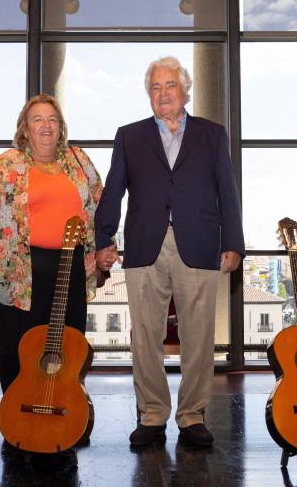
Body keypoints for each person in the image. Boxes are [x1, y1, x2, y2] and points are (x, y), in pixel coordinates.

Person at [94, 56, 245, 448]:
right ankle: (153, 414)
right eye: (155, 88)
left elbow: (227, 190)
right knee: (145, 335)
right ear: (149, 95)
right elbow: (114, 190)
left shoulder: (212, 135)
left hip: (200, 242)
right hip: (146, 244)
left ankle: (192, 416)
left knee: (198, 336)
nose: (163, 94)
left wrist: (233, 242)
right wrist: (103, 238)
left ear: (185, 90)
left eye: (170, 86)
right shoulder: (129, 136)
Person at [0, 93, 104, 393]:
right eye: (38, 119)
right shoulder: (7, 163)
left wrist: (105, 248)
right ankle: (20, 417)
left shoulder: (79, 160)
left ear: (61, 127)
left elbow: (101, 203)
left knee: (67, 345)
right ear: (25, 129)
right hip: (19, 271)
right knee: (19, 346)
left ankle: (63, 412)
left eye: (52, 119)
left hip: (72, 267)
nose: (46, 126)